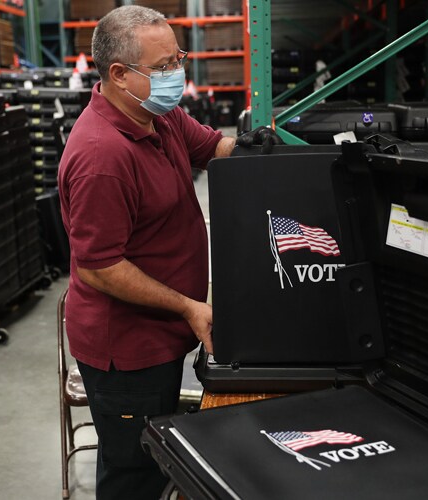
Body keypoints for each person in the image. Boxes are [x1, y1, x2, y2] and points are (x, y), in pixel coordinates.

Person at [57, 5, 281, 499]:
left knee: (160, 453)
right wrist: (188, 306)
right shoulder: (101, 157)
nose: (175, 74)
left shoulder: (159, 116)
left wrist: (254, 149)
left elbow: (210, 148)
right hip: (127, 347)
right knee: (133, 469)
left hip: (160, 331)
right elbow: (100, 268)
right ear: (118, 75)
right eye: (162, 67)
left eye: (177, 58)